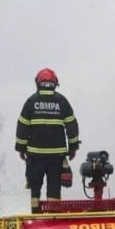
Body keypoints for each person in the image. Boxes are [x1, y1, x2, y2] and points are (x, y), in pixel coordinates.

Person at [16, 68, 80, 213]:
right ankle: (53, 215)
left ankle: (34, 214)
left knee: (34, 185)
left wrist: (21, 148)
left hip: (35, 155)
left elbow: (22, 127)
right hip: (56, 156)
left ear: (37, 83)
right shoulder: (62, 101)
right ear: (55, 83)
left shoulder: (31, 101)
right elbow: (72, 126)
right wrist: (73, 148)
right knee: (54, 186)